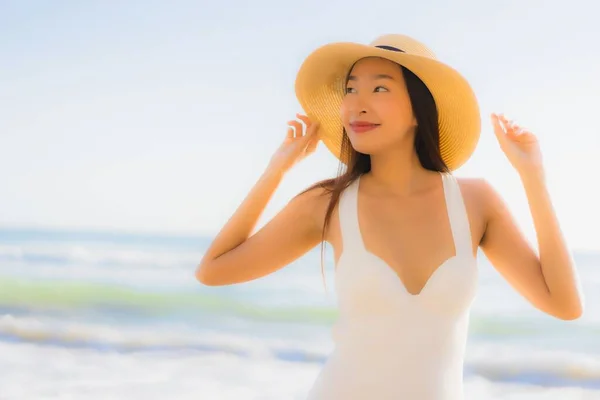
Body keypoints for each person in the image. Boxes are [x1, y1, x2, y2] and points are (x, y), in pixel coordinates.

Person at [195, 34, 584, 399]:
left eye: (380, 88)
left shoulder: (475, 201)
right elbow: (213, 270)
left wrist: (533, 178)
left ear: (419, 109)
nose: (357, 104)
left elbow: (565, 305)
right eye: (350, 89)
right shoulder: (328, 204)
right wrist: (275, 170)